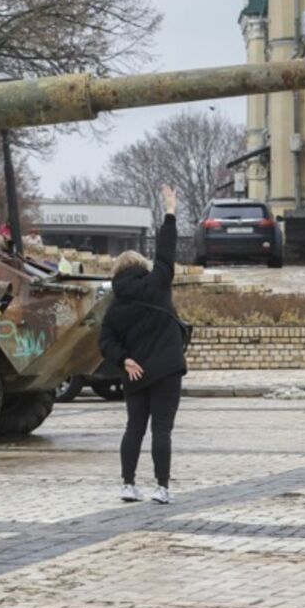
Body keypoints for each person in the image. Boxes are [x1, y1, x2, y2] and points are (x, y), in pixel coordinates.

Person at [99, 185, 187, 504]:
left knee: (134, 428)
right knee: (162, 430)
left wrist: (124, 359)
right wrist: (170, 210)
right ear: (142, 266)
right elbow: (166, 250)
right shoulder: (157, 283)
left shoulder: (115, 305)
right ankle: (162, 488)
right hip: (167, 370)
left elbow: (105, 340)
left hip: (135, 373)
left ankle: (128, 484)